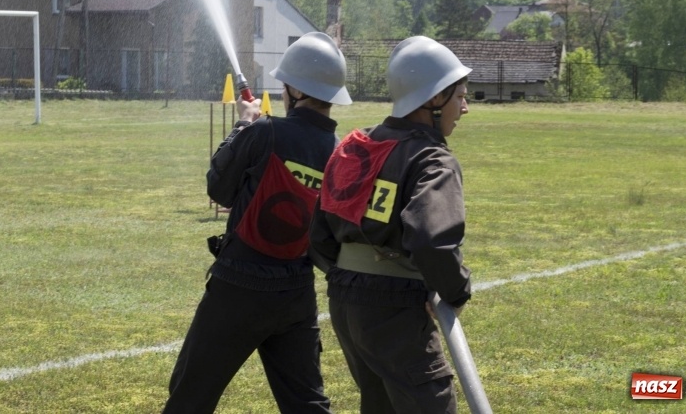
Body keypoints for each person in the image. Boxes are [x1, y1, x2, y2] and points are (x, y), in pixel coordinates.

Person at [163, 32, 352, 414]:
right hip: (297, 292)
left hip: (238, 288)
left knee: (189, 398)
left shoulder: (263, 132)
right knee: (308, 405)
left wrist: (243, 127)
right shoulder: (340, 152)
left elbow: (219, 189)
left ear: (293, 90)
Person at [309, 36, 473, 414]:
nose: (465, 108)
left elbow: (319, 233)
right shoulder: (433, 159)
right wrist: (456, 291)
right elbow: (432, 240)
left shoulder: (356, 145)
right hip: (394, 305)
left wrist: (352, 276)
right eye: (459, 96)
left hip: (345, 300)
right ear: (433, 100)